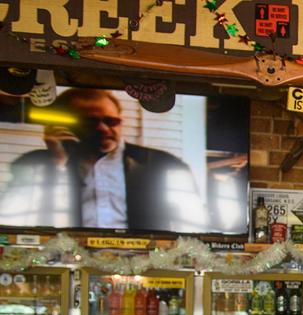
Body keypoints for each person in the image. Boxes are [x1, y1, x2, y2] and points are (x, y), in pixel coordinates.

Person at [0, 87, 202, 231]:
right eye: (90, 122)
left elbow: (194, 227)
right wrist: (57, 165)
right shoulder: (32, 165)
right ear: (63, 125)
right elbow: (11, 221)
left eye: (111, 121)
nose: (103, 129)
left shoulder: (164, 166)